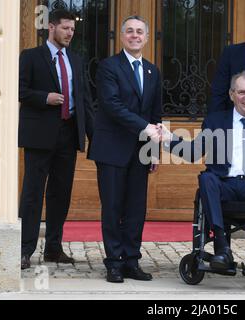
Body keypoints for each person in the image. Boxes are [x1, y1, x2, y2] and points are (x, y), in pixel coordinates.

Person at [162, 71, 245, 270]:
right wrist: (167, 139)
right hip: (226, 185)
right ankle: (222, 248)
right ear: (232, 95)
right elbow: (193, 152)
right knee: (207, 179)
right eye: (241, 92)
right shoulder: (216, 122)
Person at [88, 16, 162, 283]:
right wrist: (146, 127)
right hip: (111, 149)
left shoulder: (153, 71)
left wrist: (154, 150)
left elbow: (156, 113)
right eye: (129, 31)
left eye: (139, 32)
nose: (134, 35)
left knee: (135, 209)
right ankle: (113, 263)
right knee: (113, 207)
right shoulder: (109, 67)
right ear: (121, 36)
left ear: (146, 37)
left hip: (141, 152)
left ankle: (131, 261)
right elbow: (112, 105)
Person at [18, 9, 94, 269]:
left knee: (60, 194)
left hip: (68, 133)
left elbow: (85, 100)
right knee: (32, 193)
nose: (70, 33)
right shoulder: (30, 57)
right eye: (65, 28)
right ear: (51, 28)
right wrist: (45, 98)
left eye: (72, 29)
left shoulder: (76, 59)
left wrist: (93, 136)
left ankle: (53, 248)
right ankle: (24, 250)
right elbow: (20, 90)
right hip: (39, 135)